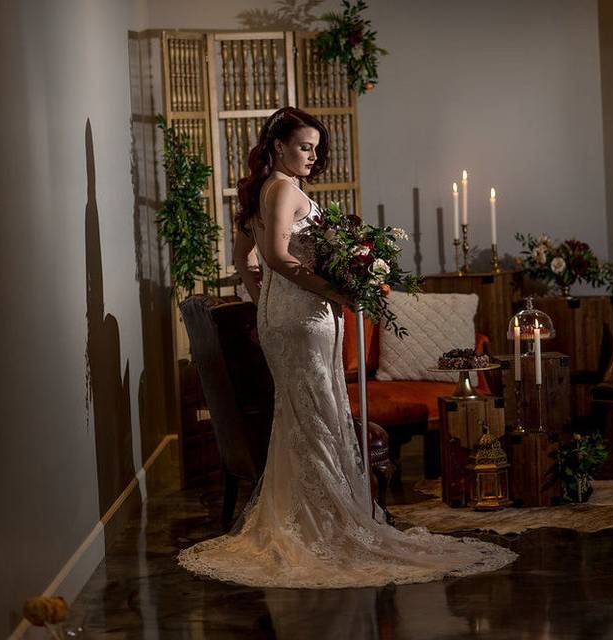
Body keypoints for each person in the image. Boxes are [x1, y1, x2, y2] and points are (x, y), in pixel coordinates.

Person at [177, 107, 516, 588]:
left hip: (291, 317)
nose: (312, 157)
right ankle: (323, 525)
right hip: (303, 320)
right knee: (314, 414)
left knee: (305, 414)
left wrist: (265, 305)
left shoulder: (262, 190)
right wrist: (336, 292)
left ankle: (317, 517)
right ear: (278, 146)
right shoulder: (281, 189)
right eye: (304, 147)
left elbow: (244, 259)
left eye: (316, 149)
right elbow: (273, 255)